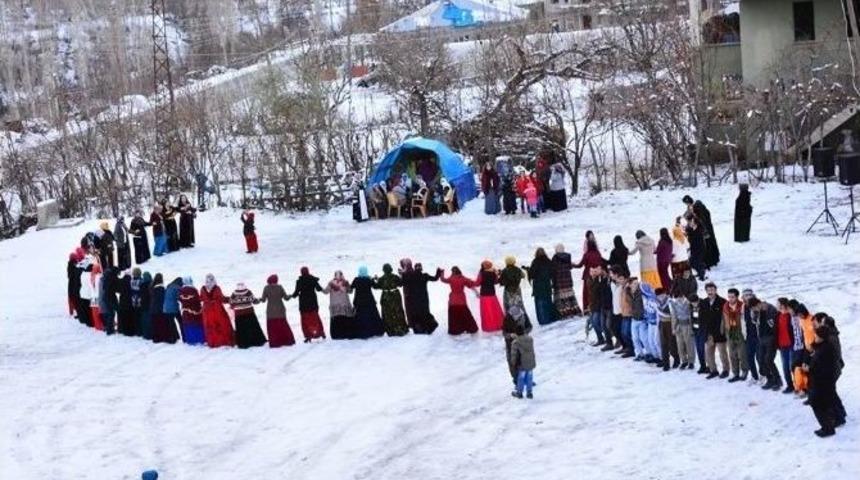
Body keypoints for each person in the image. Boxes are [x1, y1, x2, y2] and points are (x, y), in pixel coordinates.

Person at [806, 325, 840, 437]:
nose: (814, 337)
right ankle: (829, 425)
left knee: (817, 404)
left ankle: (827, 428)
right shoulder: (823, 346)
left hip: (822, 383)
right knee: (824, 404)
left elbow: (822, 368)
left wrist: (809, 369)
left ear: (822, 337)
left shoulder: (825, 351)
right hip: (821, 382)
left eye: (816, 335)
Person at [749, 297, 781, 391]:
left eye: (754, 307)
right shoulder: (756, 312)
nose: (754, 310)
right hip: (761, 337)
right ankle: (769, 379)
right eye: (752, 309)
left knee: (768, 360)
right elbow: (754, 321)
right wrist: (755, 314)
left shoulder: (770, 309)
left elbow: (775, 325)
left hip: (771, 338)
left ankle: (777, 380)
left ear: (759, 304)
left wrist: (776, 340)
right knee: (760, 359)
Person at [400, 261, 441, 335]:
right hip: (423, 299)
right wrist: (438, 272)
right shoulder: (424, 276)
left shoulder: (411, 276)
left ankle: (420, 329)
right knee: (425, 313)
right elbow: (435, 278)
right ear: (421, 268)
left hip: (415, 299)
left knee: (417, 314)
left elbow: (403, 282)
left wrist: (403, 274)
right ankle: (428, 328)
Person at [258, 274, 296, 347]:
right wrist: (291, 295)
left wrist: (258, 300)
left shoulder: (266, 288)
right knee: (283, 325)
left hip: (270, 311)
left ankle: (275, 342)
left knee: (272, 327)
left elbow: (263, 300)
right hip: (280, 309)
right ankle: (286, 341)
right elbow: (286, 298)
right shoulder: (280, 287)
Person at [199, 274, 236, 348]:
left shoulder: (203, 289)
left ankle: (213, 342)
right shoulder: (217, 288)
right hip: (217, 309)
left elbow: (201, 298)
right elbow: (222, 299)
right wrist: (231, 299)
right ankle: (223, 341)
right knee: (222, 324)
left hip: (207, 310)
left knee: (210, 326)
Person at [682, 195, 720, 268]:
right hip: (701, 229)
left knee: (707, 245)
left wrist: (694, 218)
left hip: (705, 230)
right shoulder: (691, 207)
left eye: (686, 203)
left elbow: (701, 218)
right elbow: (688, 214)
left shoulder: (698, 207)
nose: (686, 205)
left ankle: (710, 261)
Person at [700, 282, 728, 379]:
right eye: (708, 290)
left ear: (716, 290)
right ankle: (713, 371)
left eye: (712, 290)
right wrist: (705, 331)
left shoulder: (723, 301)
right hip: (709, 333)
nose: (710, 292)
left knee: (722, 354)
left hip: (720, 332)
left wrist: (724, 330)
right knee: (708, 354)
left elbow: (725, 318)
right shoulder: (703, 302)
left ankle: (725, 370)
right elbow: (702, 318)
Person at [440, 266, 479, 335]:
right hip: (461, 299)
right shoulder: (463, 278)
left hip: (453, 300)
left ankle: (456, 330)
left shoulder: (451, 278)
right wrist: (477, 293)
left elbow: (443, 279)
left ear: (453, 272)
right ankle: (470, 328)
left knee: (454, 316)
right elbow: (471, 284)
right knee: (465, 314)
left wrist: (441, 273)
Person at [292, 267, 327, 342]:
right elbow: (318, 289)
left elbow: (296, 292)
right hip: (312, 301)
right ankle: (320, 332)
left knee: (305, 319)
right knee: (315, 317)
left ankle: (308, 335)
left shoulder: (299, 281)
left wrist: (292, 296)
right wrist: (325, 291)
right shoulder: (312, 279)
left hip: (303, 302)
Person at [350, 266, 385, 339]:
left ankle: (361, 332)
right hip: (369, 300)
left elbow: (351, 288)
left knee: (360, 316)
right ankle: (374, 331)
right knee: (371, 315)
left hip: (359, 301)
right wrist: (375, 279)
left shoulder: (356, 280)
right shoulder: (368, 279)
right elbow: (376, 286)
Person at [525, 248, 557, 325]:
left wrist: (528, 270)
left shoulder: (535, 262)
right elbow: (552, 273)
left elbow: (532, 274)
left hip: (538, 286)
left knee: (540, 303)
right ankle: (550, 317)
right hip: (547, 285)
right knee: (548, 301)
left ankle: (543, 320)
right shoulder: (548, 261)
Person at [375, 264, 409, 336]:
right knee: (398, 311)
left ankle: (391, 330)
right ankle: (401, 328)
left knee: (388, 313)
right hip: (395, 295)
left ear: (384, 270)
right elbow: (401, 284)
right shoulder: (395, 277)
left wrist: (374, 280)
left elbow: (377, 286)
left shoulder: (382, 278)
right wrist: (401, 275)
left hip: (386, 296)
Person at [229, 283, 267, 348]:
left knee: (242, 329)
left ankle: (244, 343)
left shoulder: (234, 294)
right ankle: (257, 341)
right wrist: (259, 300)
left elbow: (231, 303)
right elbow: (254, 301)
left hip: (239, 314)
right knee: (252, 327)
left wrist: (234, 306)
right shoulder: (248, 292)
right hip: (249, 312)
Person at [324, 271, 359, 340]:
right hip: (344, 304)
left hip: (335, 305)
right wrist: (348, 285)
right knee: (345, 319)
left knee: (336, 320)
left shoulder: (331, 283)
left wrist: (320, 288)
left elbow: (325, 292)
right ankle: (346, 333)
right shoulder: (345, 282)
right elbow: (350, 291)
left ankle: (337, 335)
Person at [723, 288, 748, 382]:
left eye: (732, 297)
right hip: (730, 331)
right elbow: (723, 319)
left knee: (742, 354)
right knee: (732, 354)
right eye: (729, 297)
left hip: (739, 331)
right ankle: (735, 373)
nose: (730, 299)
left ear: (737, 297)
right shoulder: (725, 306)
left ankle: (744, 371)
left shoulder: (742, 306)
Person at [503, 305, 533, 384]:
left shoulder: (524, 316)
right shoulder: (507, 319)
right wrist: (510, 335)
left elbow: (529, 327)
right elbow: (504, 333)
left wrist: (523, 333)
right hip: (511, 345)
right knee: (513, 363)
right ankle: (516, 379)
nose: (517, 318)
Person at [572, 241, 602, 313]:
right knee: (595, 292)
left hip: (587, 275)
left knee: (587, 293)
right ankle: (596, 307)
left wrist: (572, 264)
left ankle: (587, 309)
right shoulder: (598, 254)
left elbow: (580, 265)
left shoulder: (586, 255)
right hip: (597, 275)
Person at [475, 260, 504, 332]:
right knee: (495, 310)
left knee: (486, 311)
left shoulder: (481, 273)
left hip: (484, 294)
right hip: (492, 293)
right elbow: (496, 282)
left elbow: (477, 283)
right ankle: (498, 325)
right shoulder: (493, 273)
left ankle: (489, 327)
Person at [669, 291, 696, 369]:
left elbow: (691, 315)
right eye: (677, 298)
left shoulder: (688, 303)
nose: (678, 299)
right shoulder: (674, 304)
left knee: (689, 344)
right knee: (680, 345)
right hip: (679, 326)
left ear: (683, 296)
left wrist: (692, 328)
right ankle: (684, 361)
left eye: (680, 297)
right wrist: (673, 328)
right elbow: (674, 316)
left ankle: (691, 362)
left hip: (687, 325)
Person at [510, 324, 536, 399]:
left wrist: (513, 363)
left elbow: (514, 354)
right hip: (530, 361)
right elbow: (523, 340)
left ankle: (519, 393)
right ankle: (529, 393)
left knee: (521, 378)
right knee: (529, 377)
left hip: (522, 363)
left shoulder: (515, 342)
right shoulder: (530, 339)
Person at [150, 274, 177, 344]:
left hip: (153, 309)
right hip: (161, 308)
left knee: (156, 324)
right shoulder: (162, 289)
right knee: (163, 324)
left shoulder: (152, 288)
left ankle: (157, 338)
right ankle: (166, 338)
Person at [775, 298, 796, 391]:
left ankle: (798, 385)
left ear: (783, 305)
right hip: (782, 345)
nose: (776, 305)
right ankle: (789, 385)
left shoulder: (791, 316)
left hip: (791, 345)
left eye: (777, 304)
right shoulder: (778, 315)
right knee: (785, 367)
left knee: (792, 366)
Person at [656, 287, 679, 370]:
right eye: (659, 296)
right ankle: (666, 363)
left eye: (662, 295)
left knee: (672, 344)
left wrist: (674, 327)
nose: (661, 297)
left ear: (665, 294)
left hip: (670, 323)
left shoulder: (670, 302)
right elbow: (658, 314)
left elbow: (674, 315)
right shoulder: (657, 302)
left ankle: (676, 359)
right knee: (663, 344)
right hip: (662, 324)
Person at [741, 289, 761, 384]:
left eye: (749, 295)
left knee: (759, 357)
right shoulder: (743, 307)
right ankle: (754, 376)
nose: (748, 297)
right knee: (749, 357)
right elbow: (742, 321)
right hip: (748, 335)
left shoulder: (757, 305)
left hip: (758, 335)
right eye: (746, 295)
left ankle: (763, 375)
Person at [178, 277, 205, 345]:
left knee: (188, 324)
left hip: (185, 311)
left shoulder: (181, 290)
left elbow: (179, 299)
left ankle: (190, 339)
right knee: (196, 324)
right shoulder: (193, 290)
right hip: (194, 310)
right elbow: (197, 299)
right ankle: (199, 339)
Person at [626, 277, 648, 361]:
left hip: (642, 319)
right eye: (634, 283)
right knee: (635, 338)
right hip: (634, 318)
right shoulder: (628, 293)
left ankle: (649, 353)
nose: (637, 284)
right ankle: (639, 354)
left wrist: (644, 315)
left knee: (643, 338)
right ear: (630, 285)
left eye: (637, 283)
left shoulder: (641, 293)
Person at [156, 277, 183, 343]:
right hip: (173, 308)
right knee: (181, 321)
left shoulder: (169, 286)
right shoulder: (177, 288)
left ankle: (173, 337)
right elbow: (179, 297)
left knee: (171, 324)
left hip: (165, 308)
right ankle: (184, 335)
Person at [587, 266, 609, 346]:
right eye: (591, 271)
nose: (593, 273)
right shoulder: (589, 280)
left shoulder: (599, 280)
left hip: (599, 305)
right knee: (593, 322)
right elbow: (590, 294)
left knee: (597, 322)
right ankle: (600, 338)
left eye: (594, 271)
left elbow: (597, 290)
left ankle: (607, 337)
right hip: (593, 305)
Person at [685, 215, 707, 281]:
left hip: (700, 246)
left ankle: (702, 275)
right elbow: (688, 233)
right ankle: (701, 271)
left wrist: (694, 228)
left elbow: (702, 231)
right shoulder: (688, 227)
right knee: (693, 262)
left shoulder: (699, 226)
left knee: (697, 262)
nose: (688, 222)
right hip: (693, 247)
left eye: (689, 221)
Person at [98, 267, 119, 335]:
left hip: (105, 298)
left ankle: (109, 328)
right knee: (112, 313)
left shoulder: (103, 279)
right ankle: (110, 329)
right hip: (110, 298)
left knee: (110, 313)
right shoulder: (109, 280)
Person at [655, 228, 673, 292]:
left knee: (662, 274)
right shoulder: (670, 241)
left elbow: (658, 250)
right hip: (667, 260)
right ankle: (669, 284)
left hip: (661, 261)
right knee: (665, 273)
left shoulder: (662, 241)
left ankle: (666, 287)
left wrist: (653, 251)